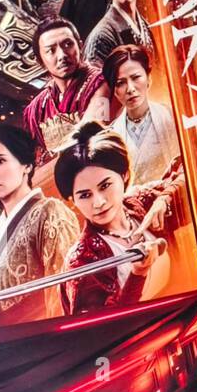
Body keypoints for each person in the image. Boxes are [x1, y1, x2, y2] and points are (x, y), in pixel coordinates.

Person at [0, 125, 79, 329]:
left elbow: (64, 294)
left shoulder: (50, 212)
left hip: (43, 340)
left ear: (27, 165)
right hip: (1, 347)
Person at [56, 122, 168, 316]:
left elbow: (186, 167)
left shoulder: (140, 202)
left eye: (105, 185)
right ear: (71, 200)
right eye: (84, 195)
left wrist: (165, 199)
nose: (98, 202)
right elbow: (105, 330)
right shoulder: (82, 261)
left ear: (124, 175)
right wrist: (138, 274)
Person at [23, 17, 111, 157]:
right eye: (51, 50)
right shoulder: (36, 110)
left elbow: (93, 128)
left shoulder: (102, 82)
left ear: (80, 46)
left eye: (68, 44)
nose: (62, 55)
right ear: (40, 60)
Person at [103, 44, 180, 187]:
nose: (130, 89)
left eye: (136, 77)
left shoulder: (172, 117)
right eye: (121, 83)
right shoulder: (111, 137)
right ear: (115, 91)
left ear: (148, 78)